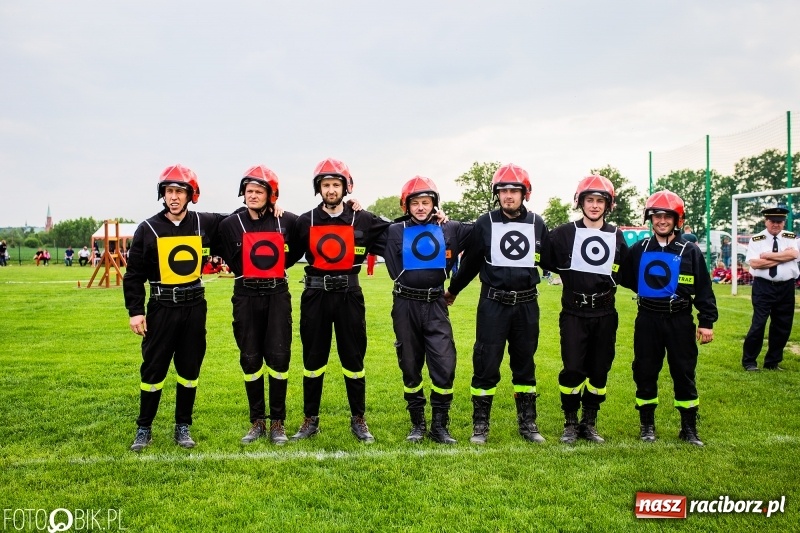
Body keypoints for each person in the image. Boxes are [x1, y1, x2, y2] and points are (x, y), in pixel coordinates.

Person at [123, 164, 227, 452]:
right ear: (162, 194)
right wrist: (136, 311)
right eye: (169, 191)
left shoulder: (204, 222)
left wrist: (272, 206)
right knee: (153, 368)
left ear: (191, 195)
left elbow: (240, 218)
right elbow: (133, 275)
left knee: (189, 368)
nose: (174, 197)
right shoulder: (148, 229)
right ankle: (144, 427)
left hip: (194, 307)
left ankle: (183, 425)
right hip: (161, 307)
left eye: (180, 191)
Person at [286, 158, 390, 443]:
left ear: (346, 187)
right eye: (326, 185)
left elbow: (399, 230)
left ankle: (358, 419)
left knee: (353, 357)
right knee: (313, 359)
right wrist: (274, 208)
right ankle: (310, 419)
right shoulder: (304, 221)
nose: (331, 190)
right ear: (318, 188)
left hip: (349, 296)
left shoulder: (362, 218)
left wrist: (438, 219)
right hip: (315, 296)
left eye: (336, 184)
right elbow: (284, 249)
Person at [444, 163, 549, 445]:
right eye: (503, 191)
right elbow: (471, 262)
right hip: (493, 304)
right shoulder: (485, 223)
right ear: (497, 194)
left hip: (527, 305)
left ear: (525, 193)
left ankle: (528, 423)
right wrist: (453, 290)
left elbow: (551, 258)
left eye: (514, 190)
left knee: (524, 363)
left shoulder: (537, 223)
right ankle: (480, 425)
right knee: (486, 362)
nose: (508, 196)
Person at [619, 190, 717, 447]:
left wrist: (706, 321)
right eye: (657, 216)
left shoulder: (690, 250)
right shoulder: (639, 249)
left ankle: (689, 428)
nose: (662, 221)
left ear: (677, 220)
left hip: (680, 320)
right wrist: (647, 288)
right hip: (647, 319)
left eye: (667, 216)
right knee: (645, 370)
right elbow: (625, 276)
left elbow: (704, 287)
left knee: (684, 372)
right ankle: (647, 426)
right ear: (650, 219)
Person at [384, 176, 472, 444]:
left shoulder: (450, 228)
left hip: (435, 304)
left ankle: (440, 425)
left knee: (444, 364)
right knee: (410, 364)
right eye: (415, 203)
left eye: (426, 202)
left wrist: (455, 287)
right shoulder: (395, 231)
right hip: (405, 304)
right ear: (406, 206)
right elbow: (362, 224)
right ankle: (417, 424)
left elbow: (484, 231)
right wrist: (353, 204)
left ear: (435, 204)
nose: (421, 207)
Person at [218, 165, 300, 445]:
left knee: (279, 358)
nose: (253, 195)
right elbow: (202, 225)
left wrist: (352, 205)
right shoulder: (229, 224)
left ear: (271, 195)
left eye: (259, 191)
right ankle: (257, 422)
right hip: (245, 296)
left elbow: (309, 234)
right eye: (249, 191)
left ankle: (277, 422)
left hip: (277, 295)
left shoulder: (287, 221)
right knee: (250, 358)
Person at [545, 175, 628, 444]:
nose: (594, 205)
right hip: (574, 312)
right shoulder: (563, 233)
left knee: (599, 369)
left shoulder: (616, 235)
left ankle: (589, 422)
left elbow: (626, 270)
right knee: (572, 368)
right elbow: (543, 255)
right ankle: (570, 422)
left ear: (608, 205)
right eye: (589, 200)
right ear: (580, 202)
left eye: (600, 201)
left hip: (605, 313)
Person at [741, 205, 799, 372]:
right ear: (766, 221)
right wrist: (783, 257)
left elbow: (794, 255)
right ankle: (749, 362)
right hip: (763, 286)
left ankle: (772, 362)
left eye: (779, 222)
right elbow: (755, 263)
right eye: (773, 221)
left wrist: (767, 255)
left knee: (782, 325)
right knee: (758, 324)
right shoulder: (756, 239)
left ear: (784, 222)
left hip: (786, 287)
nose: (776, 224)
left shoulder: (790, 237)